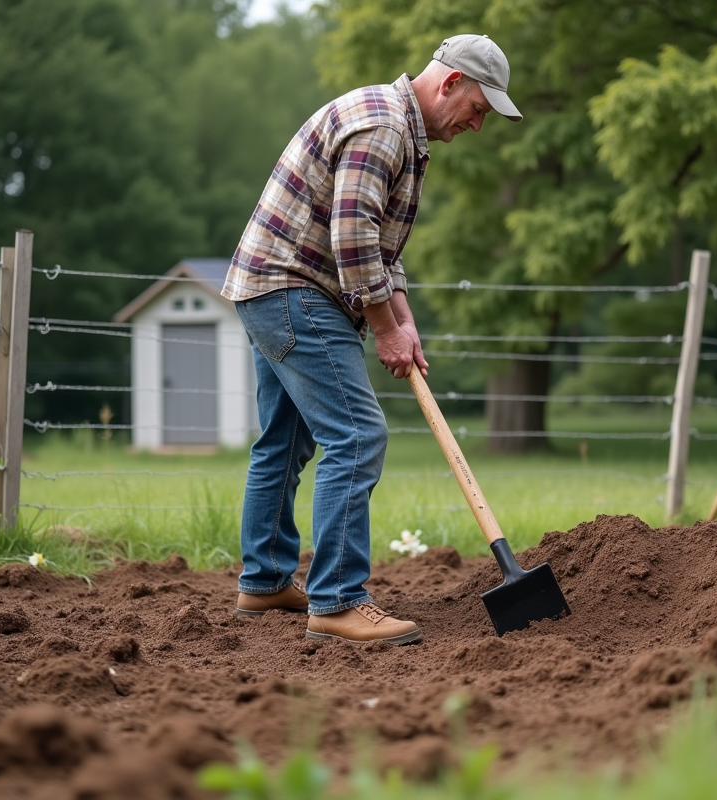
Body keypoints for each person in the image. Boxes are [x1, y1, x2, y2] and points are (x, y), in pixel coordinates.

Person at [222, 34, 522, 645]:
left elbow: (382, 250)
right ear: (451, 84)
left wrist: (403, 321)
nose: (477, 125)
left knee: (285, 438)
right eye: (479, 109)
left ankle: (266, 580)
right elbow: (354, 244)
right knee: (357, 435)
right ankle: (336, 602)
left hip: (270, 287)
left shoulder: (400, 133)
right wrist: (385, 331)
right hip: (294, 289)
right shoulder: (383, 129)